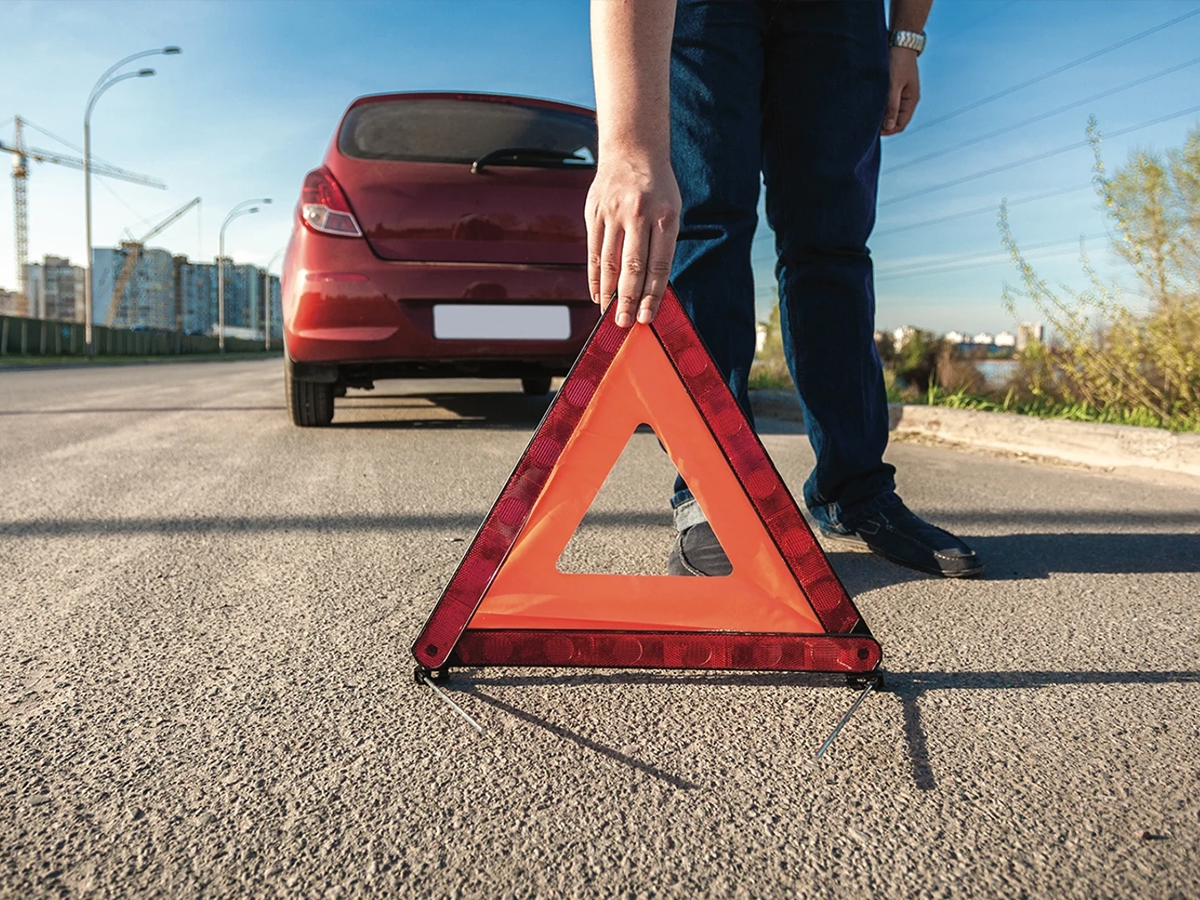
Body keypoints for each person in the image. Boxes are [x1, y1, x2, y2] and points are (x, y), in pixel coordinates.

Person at [584, 0, 982, 578]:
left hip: (842, 16)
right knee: (702, 228)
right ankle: (713, 493)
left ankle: (856, 492)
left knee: (832, 246)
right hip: (700, 10)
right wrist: (627, 148)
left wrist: (906, 39)